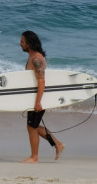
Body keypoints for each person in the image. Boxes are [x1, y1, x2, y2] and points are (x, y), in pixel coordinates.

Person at [20, 30, 64, 163]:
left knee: (32, 127)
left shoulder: (36, 59)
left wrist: (38, 102)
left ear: (29, 43)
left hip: (39, 98)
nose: (20, 44)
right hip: (34, 97)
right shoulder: (32, 56)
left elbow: (41, 81)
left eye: (22, 42)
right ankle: (58, 144)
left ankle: (35, 157)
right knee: (33, 126)